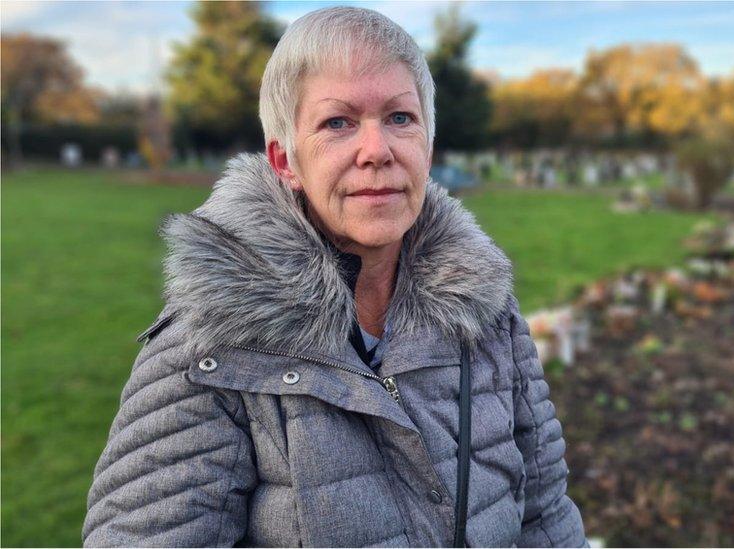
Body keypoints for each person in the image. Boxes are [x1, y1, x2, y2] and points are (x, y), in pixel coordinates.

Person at [82, 7, 586, 547]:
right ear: (285, 160)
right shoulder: (208, 348)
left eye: (400, 118)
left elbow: (546, 516)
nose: (377, 151)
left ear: (428, 146)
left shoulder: (487, 313)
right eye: (338, 122)